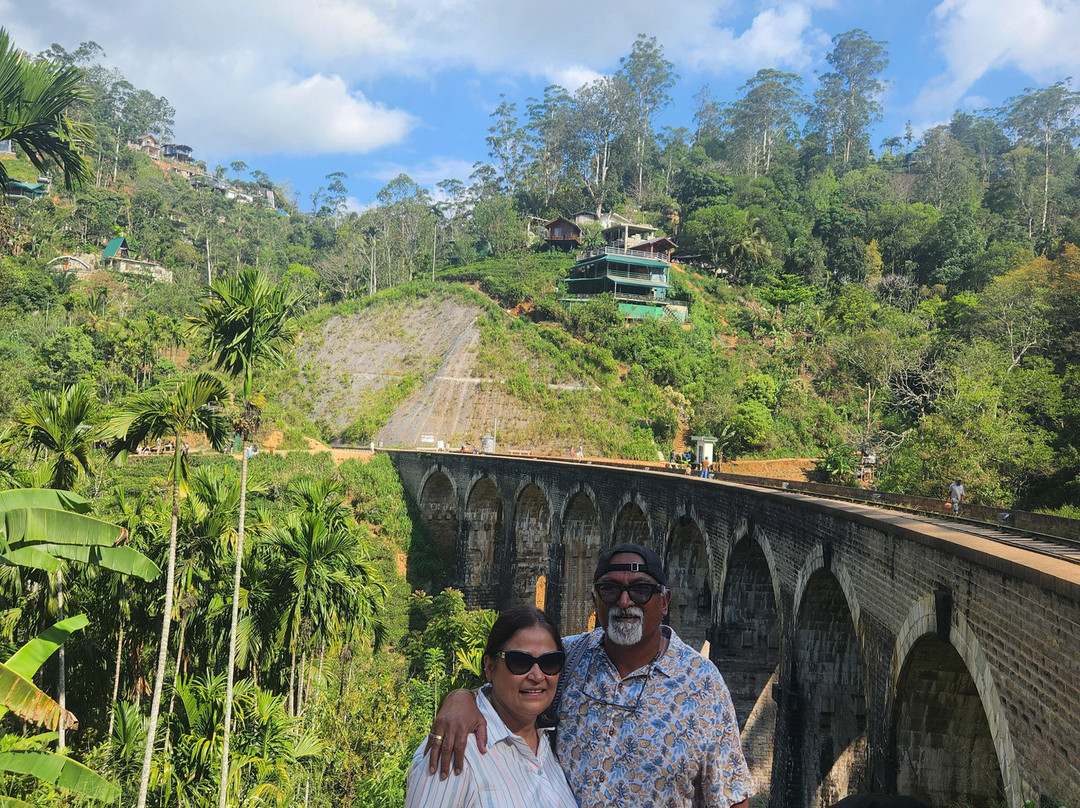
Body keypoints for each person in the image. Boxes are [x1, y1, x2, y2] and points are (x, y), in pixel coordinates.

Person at [427, 543, 754, 808]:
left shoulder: (702, 683)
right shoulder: (566, 660)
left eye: (641, 590)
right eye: (610, 589)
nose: (625, 601)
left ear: (664, 601)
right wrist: (460, 698)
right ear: (594, 600)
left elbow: (730, 795)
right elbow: (506, 691)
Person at [405, 606, 578, 808]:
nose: (537, 676)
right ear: (489, 666)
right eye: (520, 661)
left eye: (550, 662)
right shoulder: (457, 748)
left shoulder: (552, 743)